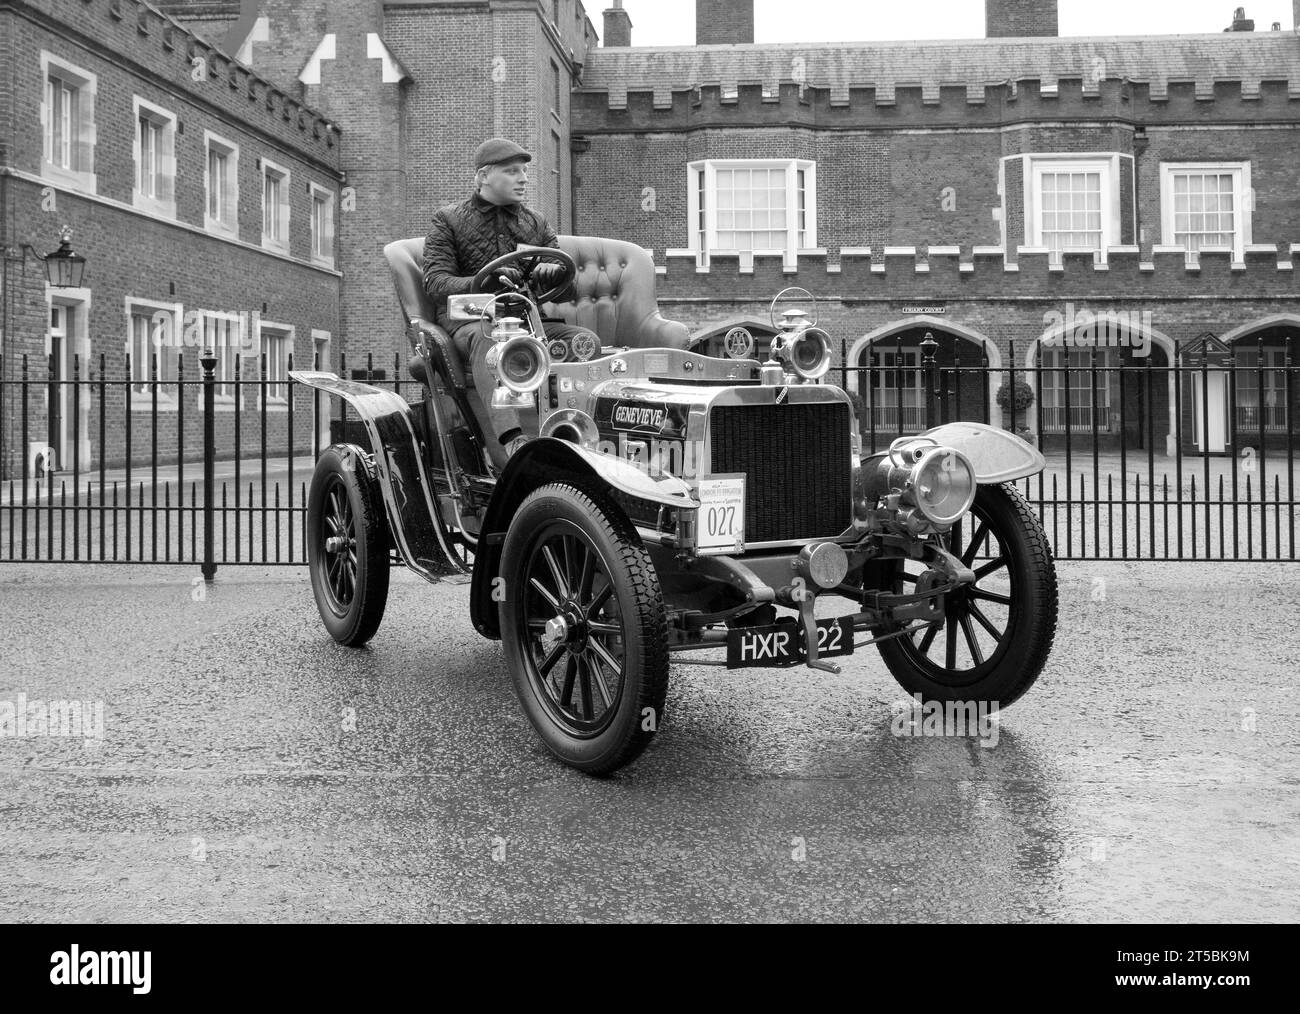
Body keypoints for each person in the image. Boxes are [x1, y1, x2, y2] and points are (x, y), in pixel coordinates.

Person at [421, 137, 594, 472]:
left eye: (524, 171)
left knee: (584, 343)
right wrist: (484, 284)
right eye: (512, 171)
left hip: (528, 322)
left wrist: (553, 275)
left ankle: (577, 435)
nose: (523, 178)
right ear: (485, 176)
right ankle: (511, 447)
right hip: (474, 324)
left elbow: (566, 289)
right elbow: (436, 283)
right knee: (494, 345)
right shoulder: (449, 220)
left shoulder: (537, 223)